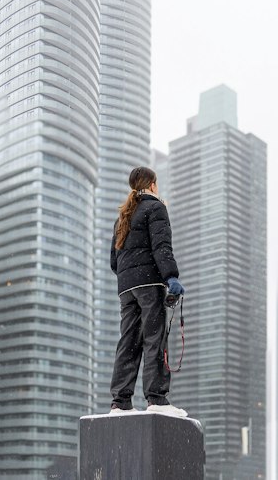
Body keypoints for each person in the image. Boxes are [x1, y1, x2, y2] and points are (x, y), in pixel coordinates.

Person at [108, 165, 186, 416]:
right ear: (152, 185)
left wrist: (130, 276)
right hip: (149, 285)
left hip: (126, 288)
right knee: (155, 338)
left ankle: (120, 402)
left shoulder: (122, 217)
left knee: (128, 342)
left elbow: (114, 261)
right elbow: (161, 247)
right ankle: (156, 398)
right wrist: (171, 277)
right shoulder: (156, 208)